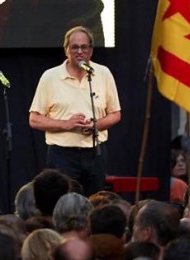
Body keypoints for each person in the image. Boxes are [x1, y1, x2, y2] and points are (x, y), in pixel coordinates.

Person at [29, 26, 121, 196]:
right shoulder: (50, 77)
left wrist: (96, 125)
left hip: (95, 152)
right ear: (66, 50)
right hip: (62, 154)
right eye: (75, 47)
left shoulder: (102, 74)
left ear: (91, 50)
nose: (80, 52)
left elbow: (115, 114)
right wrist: (66, 124)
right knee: (62, 203)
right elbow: (34, 119)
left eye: (84, 47)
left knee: (95, 203)